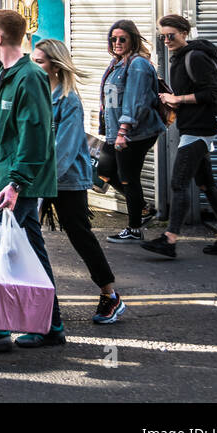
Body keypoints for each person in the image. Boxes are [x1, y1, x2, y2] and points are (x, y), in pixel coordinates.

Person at [0, 10, 65, 352]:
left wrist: (16, 182)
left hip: (22, 182)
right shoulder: (5, 76)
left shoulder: (28, 77)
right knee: (29, 250)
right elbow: (8, 136)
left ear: (0, 37)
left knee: (0, 250)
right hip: (10, 178)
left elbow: (34, 134)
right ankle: (51, 326)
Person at [32, 40, 127, 323]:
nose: (35, 66)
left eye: (40, 62)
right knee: (24, 236)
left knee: (80, 235)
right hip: (39, 176)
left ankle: (109, 294)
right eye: (33, 60)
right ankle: (33, 299)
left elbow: (65, 148)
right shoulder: (37, 93)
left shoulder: (68, 100)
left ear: (56, 66)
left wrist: (39, 182)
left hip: (65, 179)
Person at [141, 14, 217, 258]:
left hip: (199, 129)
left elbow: (212, 92)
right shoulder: (180, 58)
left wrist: (178, 99)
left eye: (170, 35)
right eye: (162, 36)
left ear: (184, 33)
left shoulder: (195, 57)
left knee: (178, 183)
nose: (166, 40)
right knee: (206, 184)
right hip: (192, 127)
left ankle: (169, 239)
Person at [98, 19, 166, 244]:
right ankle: (143, 209)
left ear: (133, 40)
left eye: (122, 39)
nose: (116, 42)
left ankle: (135, 228)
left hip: (134, 133)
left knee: (129, 178)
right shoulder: (116, 63)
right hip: (116, 130)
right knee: (104, 170)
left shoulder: (137, 65)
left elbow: (135, 101)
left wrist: (123, 131)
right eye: (113, 39)